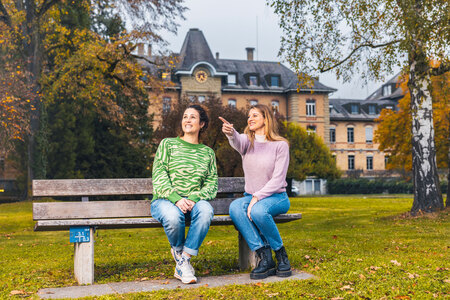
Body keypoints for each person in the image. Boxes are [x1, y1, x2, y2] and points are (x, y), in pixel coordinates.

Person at [220, 104, 292, 279]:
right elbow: (237, 140)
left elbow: (278, 179)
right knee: (236, 207)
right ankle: (264, 256)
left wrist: (257, 197)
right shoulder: (247, 141)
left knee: (259, 210)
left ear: (266, 119)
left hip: (276, 197)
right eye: (248, 116)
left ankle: (281, 254)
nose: (249, 119)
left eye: (255, 116)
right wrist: (230, 133)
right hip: (252, 197)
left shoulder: (280, 145)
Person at [151, 105, 218, 284]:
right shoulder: (168, 144)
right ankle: (181, 255)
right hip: (165, 200)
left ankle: (183, 259)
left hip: (195, 202)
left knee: (206, 211)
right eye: (185, 116)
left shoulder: (208, 153)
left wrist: (193, 198)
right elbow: (159, 175)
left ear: (202, 124)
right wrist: (177, 199)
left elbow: (212, 184)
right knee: (173, 216)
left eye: (193, 117)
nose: (187, 120)